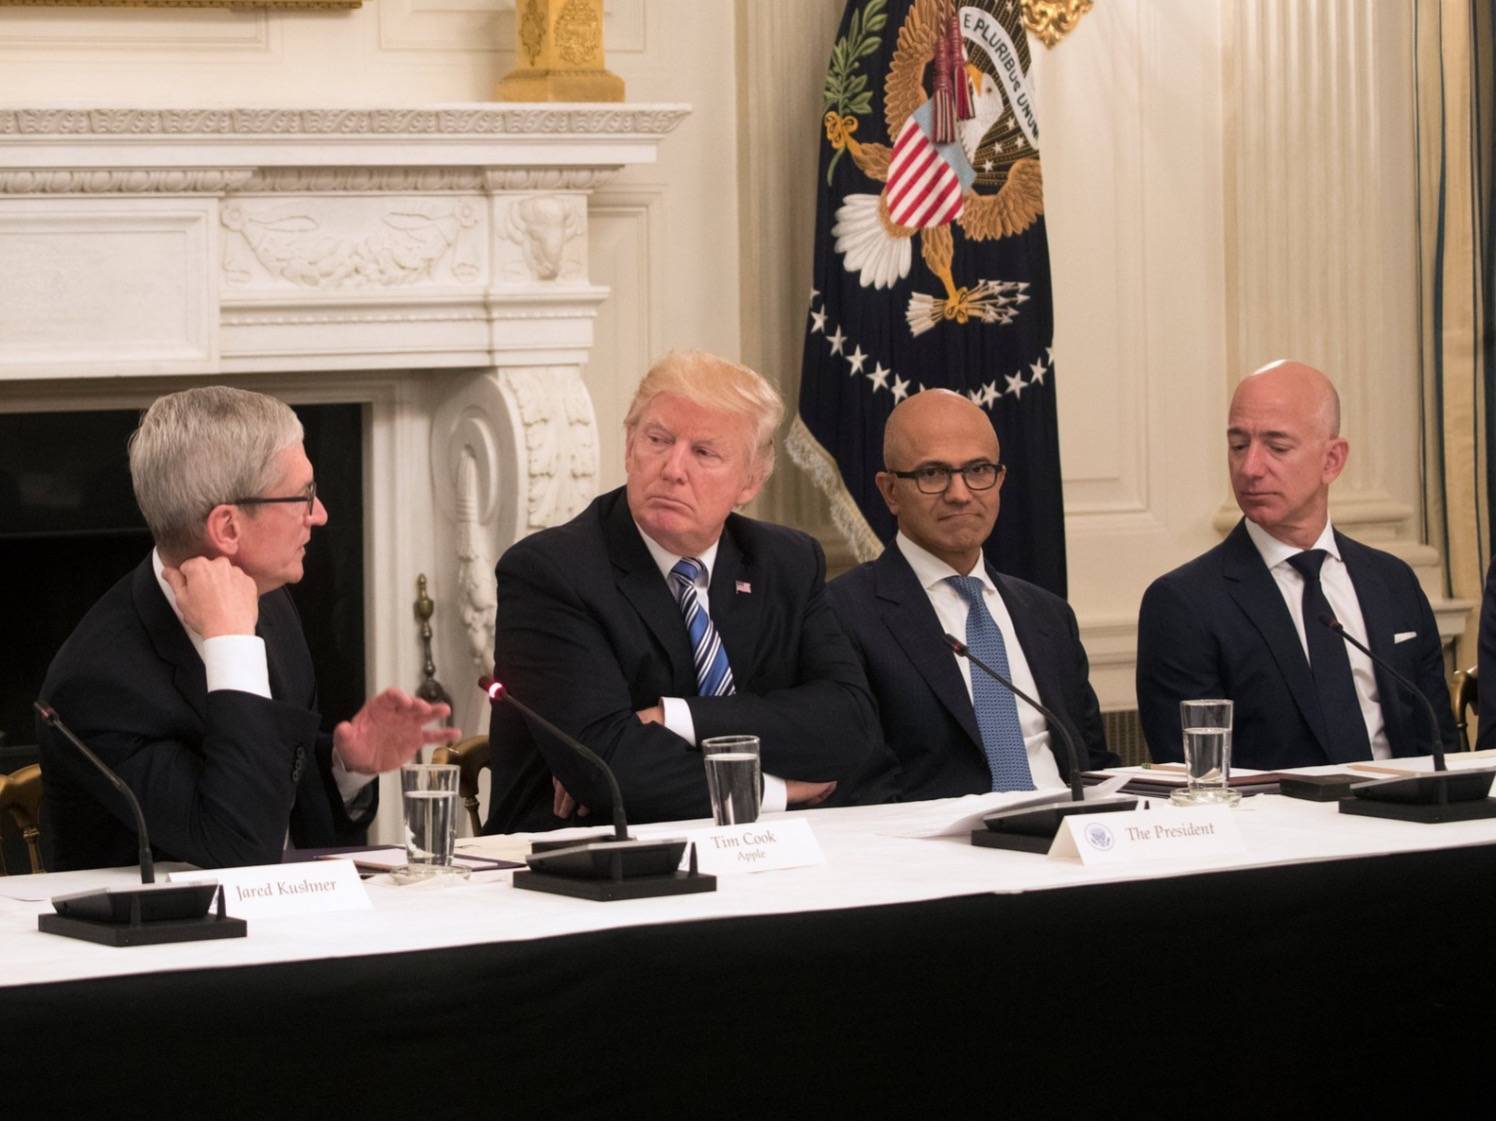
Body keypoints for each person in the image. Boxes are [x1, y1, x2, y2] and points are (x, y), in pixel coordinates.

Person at [39, 386, 458, 871]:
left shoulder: (272, 602)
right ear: (228, 528)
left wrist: (347, 767)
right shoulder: (99, 684)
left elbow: (279, 804)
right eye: (304, 495)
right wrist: (232, 645)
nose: (319, 514)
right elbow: (240, 849)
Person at [485, 350, 896, 833]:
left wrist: (675, 717)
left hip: (764, 851)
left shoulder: (786, 561)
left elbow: (849, 726)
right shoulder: (552, 572)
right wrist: (777, 791)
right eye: (658, 440)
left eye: (704, 452)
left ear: (751, 481)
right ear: (629, 447)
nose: (673, 469)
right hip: (584, 855)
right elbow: (609, 769)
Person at [1136, 360, 1455, 769]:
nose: (1250, 468)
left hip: (1406, 806)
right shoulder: (1184, 603)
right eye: (1238, 446)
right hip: (1270, 811)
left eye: (1277, 447)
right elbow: (1199, 774)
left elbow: (1440, 747)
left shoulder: (1393, 582)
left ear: (1332, 460)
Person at [827, 391, 1114, 800]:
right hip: (944, 836)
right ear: (890, 491)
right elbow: (860, 784)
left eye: (978, 470)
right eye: (933, 474)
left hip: (1068, 828)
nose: (960, 494)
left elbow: (1094, 763)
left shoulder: (1049, 615)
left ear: (1000, 480)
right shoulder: (843, 613)